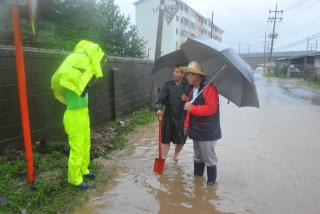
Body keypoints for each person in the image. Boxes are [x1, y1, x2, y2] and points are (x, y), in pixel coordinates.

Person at [51, 40, 105, 189]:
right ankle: (74, 179)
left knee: (86, 143)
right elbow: (70, 82)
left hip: (83, 114)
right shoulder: (69, 79)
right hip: (73, 116)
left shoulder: (83, 80)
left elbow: (90, 79)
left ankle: (84, 169)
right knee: (77, 147)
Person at [181, 61, 221, 185]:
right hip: (195, 129)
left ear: (196, 75)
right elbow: (190, 111)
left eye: (189, 74)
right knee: (197, 155)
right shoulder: (193, 89)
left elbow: (211, 109)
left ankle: (211, 183)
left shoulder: (210, 89)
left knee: (209, 157)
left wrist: (191, 108)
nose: (186, 76)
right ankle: (198, 180)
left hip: (207, 130)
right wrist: (186, 125)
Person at [155, 65, 190, 161]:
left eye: (178, 72)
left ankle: (176, 155)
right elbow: (159, 100)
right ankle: (163, 158)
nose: (174, 73)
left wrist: (188, 99)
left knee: (181, 140)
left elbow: (195, 103)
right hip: (168, 117)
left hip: (183, 117)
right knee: (165, 140)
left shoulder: (188, 86)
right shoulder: (167, 85)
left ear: (183, 74)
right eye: (174, 71)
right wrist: (159, 109)